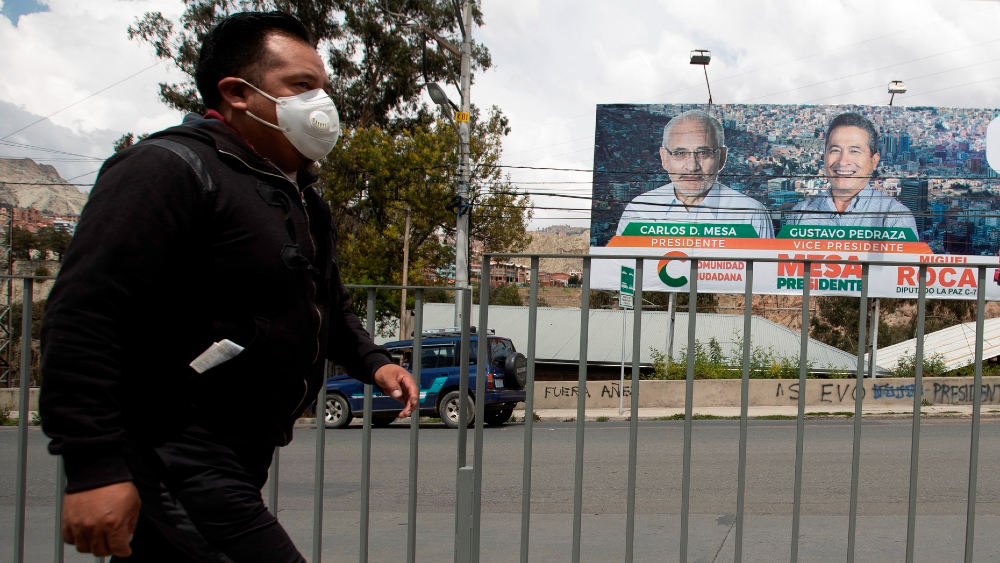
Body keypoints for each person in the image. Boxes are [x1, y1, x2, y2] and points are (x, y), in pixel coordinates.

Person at [39, 11, 419, 562]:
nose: (322, 103)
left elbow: (324, 305)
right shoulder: (167, 169)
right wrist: (94, 466)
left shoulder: (301, 199)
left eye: (324, 88)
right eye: (301, 86)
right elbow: (83, 318)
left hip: (240, 452)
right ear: (238, 92)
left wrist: (375, 362)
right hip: (173, 447)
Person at [614, 110, 774, 238]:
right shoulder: (640, 210)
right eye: (680, 153)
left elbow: (766, 277)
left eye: (704, 152)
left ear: (722, 157)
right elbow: (621, 274)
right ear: (664, 158)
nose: (692, 166)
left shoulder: (751, 214)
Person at [787, 112, 919, 236]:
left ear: (874, 161)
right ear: (824, 157)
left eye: (855, 151)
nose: (843, 161)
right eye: (835, 150)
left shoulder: (895, 217)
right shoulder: (800, 215)